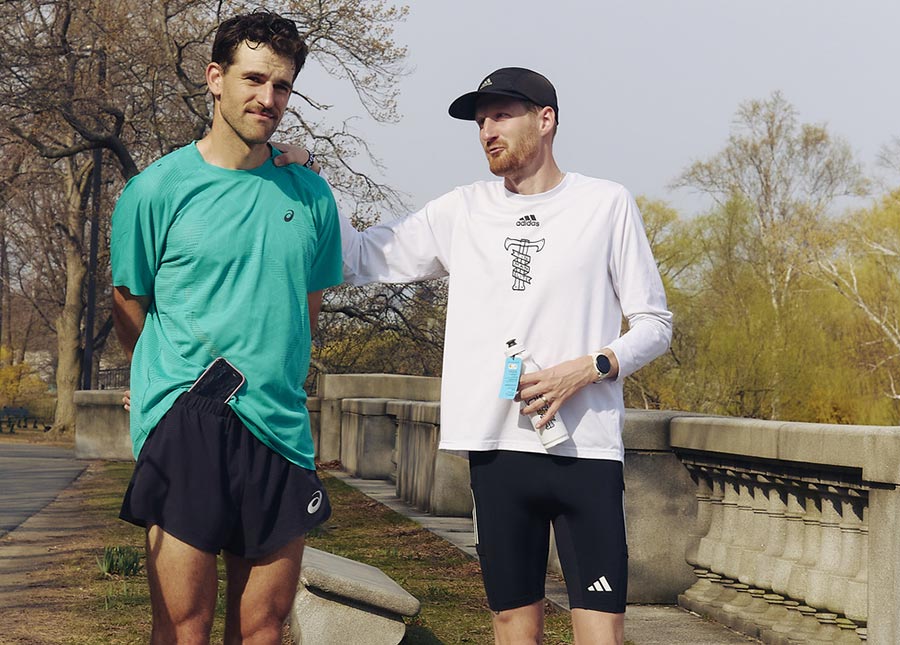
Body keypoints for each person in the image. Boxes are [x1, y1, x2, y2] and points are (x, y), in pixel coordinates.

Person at [329, 67, 673, 644]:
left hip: (585, 452)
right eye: (480, 120)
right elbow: (357, 257)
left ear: (546, 119)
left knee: (601, 632)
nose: (487, 130)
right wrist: (313, 177)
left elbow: (655, 325)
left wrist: (587, 369)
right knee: (513, 626)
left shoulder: (605, 204)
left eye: (502, 115)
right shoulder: (461, 210)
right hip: (496, 452)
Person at [109, 11, 342, 644]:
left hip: (280, 427)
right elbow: (128, 301)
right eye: (254, 79)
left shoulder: (311, 196)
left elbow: (306, 310)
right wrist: (157, 377)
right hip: (189, 418)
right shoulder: (156, 190)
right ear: (216, 78)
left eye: (282, 85)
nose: (269, 98)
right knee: (183, 627)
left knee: (263, 628)